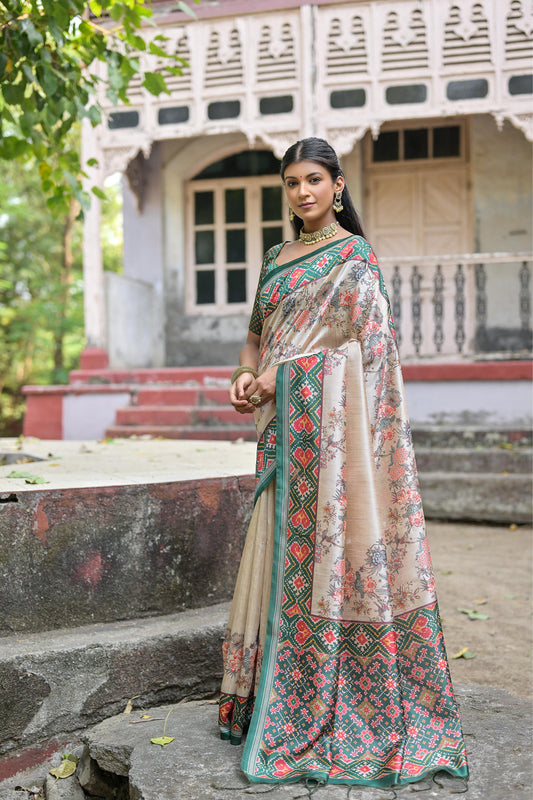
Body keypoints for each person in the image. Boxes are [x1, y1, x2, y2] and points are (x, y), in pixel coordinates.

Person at [218, 137, 469, 789]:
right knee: (274, 550)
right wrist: (245, 375)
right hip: (281, 431)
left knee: (324, 556)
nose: (302, 192)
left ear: (337, 186)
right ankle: (262, 698)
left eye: (313, 180)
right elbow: (255, 336)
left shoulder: (354, 258)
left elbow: (372, 353)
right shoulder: (275, 259)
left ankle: (330, 694)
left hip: (327, 437)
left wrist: (284, 377)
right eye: (291, 182)